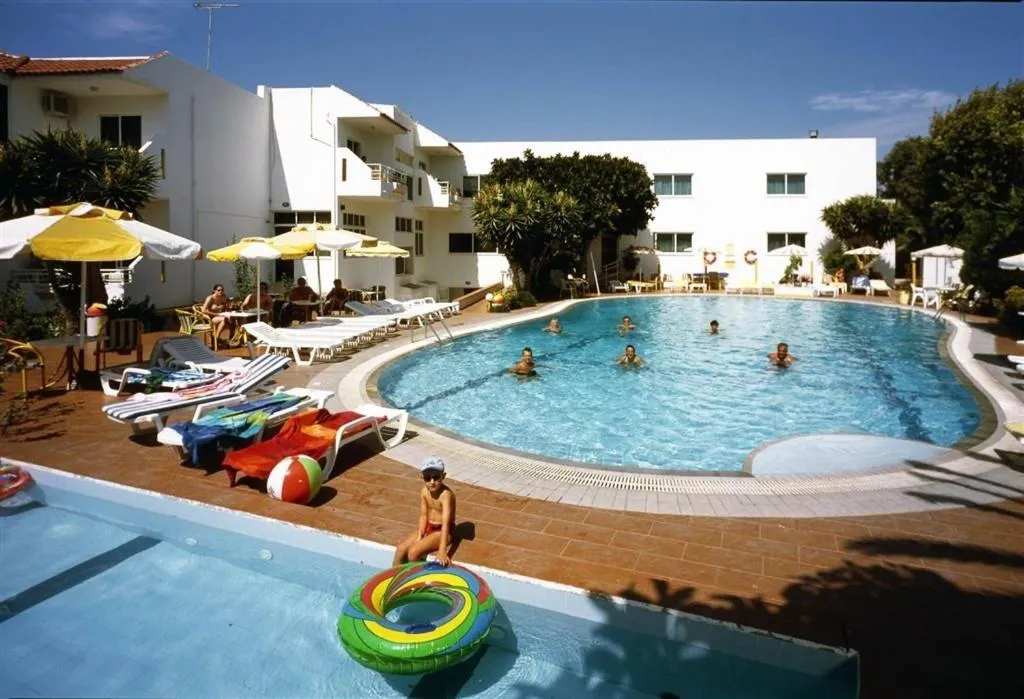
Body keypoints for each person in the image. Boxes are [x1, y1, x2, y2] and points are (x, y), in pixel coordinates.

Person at [393, 456, 455, 567]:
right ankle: (392, 579)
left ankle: (418, 581)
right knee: (401, 549)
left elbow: (446, 524)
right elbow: (423, 515)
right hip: (428, 527)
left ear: (443, 476)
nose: (432, 482)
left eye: (436, 477)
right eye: (427, 478)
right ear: (422, 477)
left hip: (443, 532)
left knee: (413, 552)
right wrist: (420, 534)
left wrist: (442, 549)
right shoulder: (424, 492)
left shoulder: (446, 495)